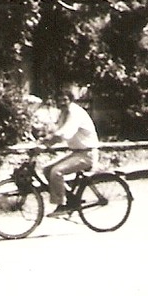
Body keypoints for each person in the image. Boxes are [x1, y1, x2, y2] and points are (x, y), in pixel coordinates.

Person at [41, 87, 99, 217]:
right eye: (59, 100)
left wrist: (47, 143)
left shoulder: (75, 112)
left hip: (87, 154)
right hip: (76, 153)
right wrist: (44, 139)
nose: (62, 102)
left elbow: (66, 132)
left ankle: (62, 205)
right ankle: (72, 199)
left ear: (71, 100)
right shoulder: (63, 113)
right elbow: (57, 131)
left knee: (56, 172)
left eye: (65, 99)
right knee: (47, 170)